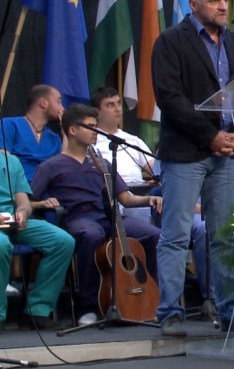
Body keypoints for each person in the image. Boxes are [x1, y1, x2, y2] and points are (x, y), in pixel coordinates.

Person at [152, 0, 234, 336]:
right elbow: (169, 98)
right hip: (186, 153)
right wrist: (210, 137)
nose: (223, 6)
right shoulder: (171, 41)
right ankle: (171, 314)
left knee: (226, 236)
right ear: (193, 6)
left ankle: (230, 312)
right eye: (214, 1)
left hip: (228, 153)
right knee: (175, 235)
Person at [30, 105, 161, 327]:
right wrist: (44, 202)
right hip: (76, 218)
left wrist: (149, 199)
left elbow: (126, 199)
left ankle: (151, 297)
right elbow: (28, 199)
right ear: (72, 130)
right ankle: (88, 305)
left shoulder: (102, 163)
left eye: (95, 126)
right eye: (90, 127)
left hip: (108, 217)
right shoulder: (50, 166)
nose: (96, 132)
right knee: (92, 235)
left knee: (154, 235)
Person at [0, 151, 74, 331]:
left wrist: (23, 214)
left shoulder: (10, 161)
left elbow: (24, 202)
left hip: (10, 220)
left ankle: (37, 311)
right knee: (1, 245)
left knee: (63, 241)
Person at [90, 87, 156, 221]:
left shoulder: (133, 140)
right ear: (97, 112)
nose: (117, 109)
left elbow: (154, 168)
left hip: (139, 192)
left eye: (119, 103)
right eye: (110, 105)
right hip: (110, 195)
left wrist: (159, 177)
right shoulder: (91, 140)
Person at [0, 84, 64, 182]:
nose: (62, 109)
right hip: (15, 189)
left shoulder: (54, 138)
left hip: (46, 192)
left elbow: (64, 166)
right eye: (58, 102)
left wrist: (65, 129)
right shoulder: (9, 125)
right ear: (43, 103)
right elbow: (3, 162)